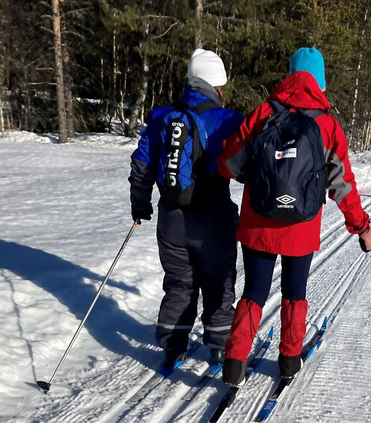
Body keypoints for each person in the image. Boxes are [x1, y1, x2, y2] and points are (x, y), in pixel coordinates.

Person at [216, 47, 371, 386]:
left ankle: (234, 362)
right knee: (294, 293)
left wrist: (254, 173)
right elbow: (343, 185)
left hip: (258, 222)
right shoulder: (327, 125)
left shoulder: (263, 113)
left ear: (289, 76)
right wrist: (361, 226)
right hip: (300, 228)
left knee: (254, 292)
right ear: (320, 82)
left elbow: (227, 164)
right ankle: (289, 360)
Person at [128, 48, 244, 369]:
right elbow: (245, 165)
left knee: (180, 281)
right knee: (218, 280)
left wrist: (140, 203)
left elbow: (141, 164)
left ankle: (172, 346)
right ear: (217, 85)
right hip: (213, 218)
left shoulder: (162, 117)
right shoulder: (229, 120)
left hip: (171, 218)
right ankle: (219, 346)